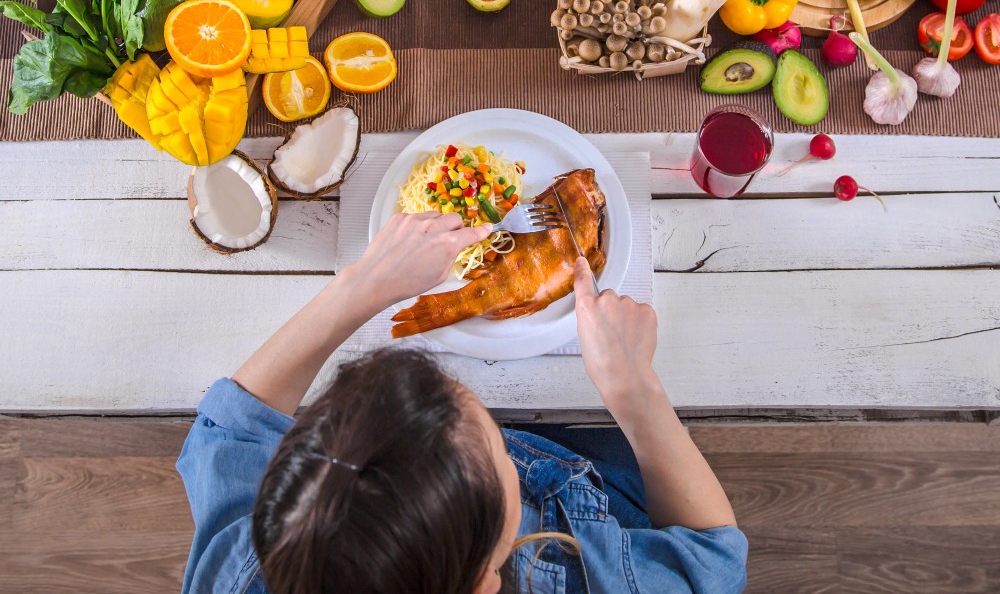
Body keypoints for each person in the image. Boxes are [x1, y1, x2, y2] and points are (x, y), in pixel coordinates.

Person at [178, 212, 748, 593]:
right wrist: (635, 391)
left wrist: (361, 285)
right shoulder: (579, 576)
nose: (498, 429)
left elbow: (227, 433)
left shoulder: (245, 568)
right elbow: (713, 562)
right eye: (498, 449)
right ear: (485, 582)